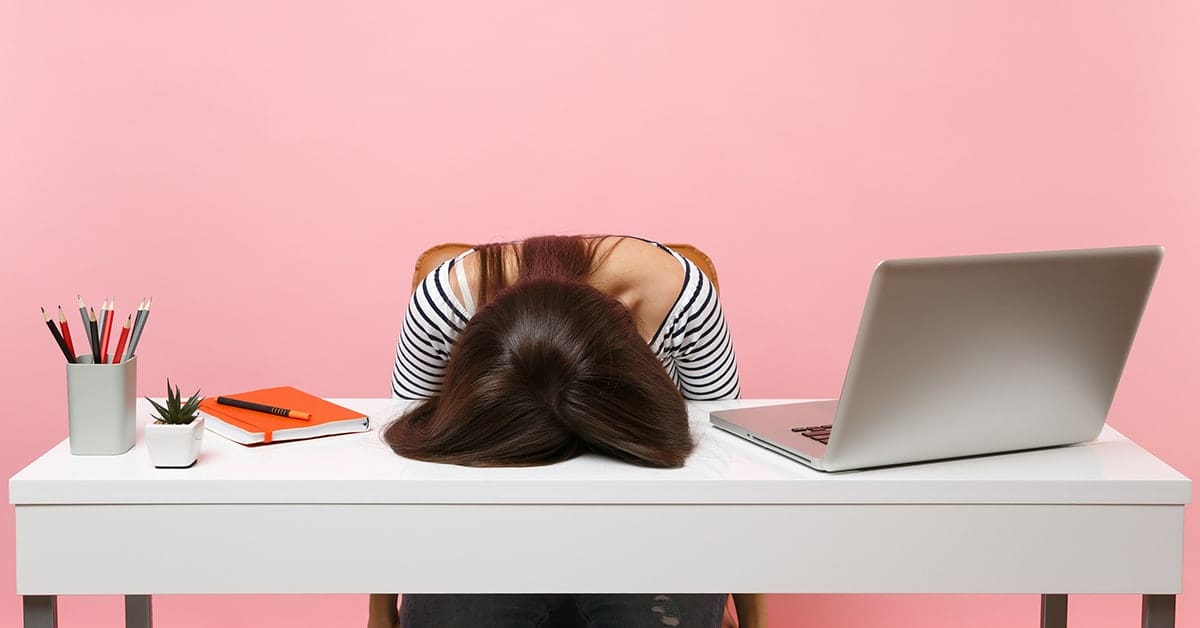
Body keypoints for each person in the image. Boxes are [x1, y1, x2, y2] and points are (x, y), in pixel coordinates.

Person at [370, 235, 763, 628]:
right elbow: (407, 468)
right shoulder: (444, 307)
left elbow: (728, 466)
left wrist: (755, 618)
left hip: (648, 528)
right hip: (487, 528)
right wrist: (380, 613)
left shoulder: (682, 301)